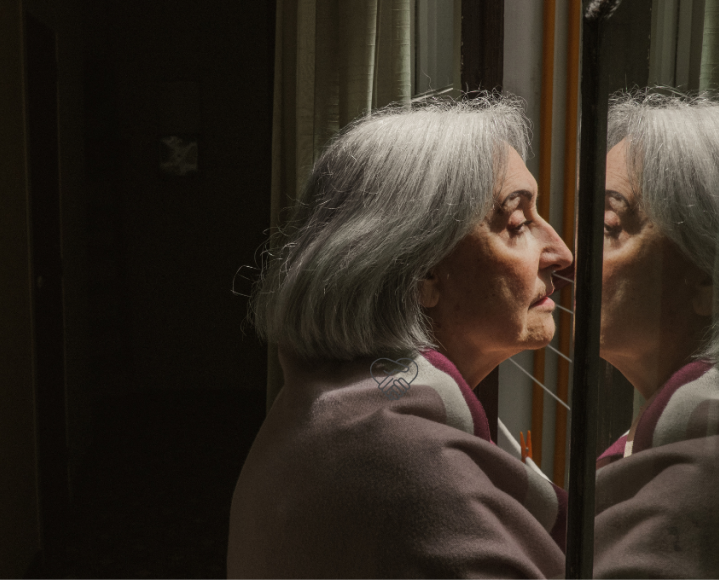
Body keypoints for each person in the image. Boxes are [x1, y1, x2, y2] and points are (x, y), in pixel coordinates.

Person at [227, 95, 573, 578]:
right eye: (517, 223)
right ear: (421, 273)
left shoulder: (327, 406)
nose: (560, 251)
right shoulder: (413, 467)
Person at [594, 91, 719, 578]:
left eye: (609, 226)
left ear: (713, 277)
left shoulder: (714, 472)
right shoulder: (673, 433)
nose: (567, 255)